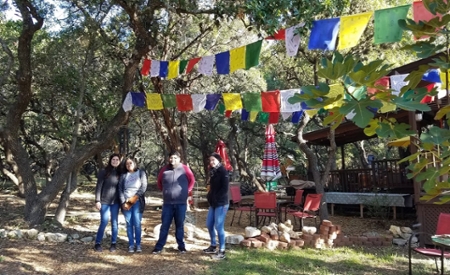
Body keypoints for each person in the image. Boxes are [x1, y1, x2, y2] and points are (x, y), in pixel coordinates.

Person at [152, 151, 195, 254]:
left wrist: (186, 191)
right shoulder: (164, 169)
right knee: (165, 225)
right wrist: (165, 191)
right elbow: (159, 182)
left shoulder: (185, 168)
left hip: (181, 203)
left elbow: (192, 180)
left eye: (175, 158)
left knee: (179, 226)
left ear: (179, 159)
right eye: (171, 158)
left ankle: (181, 246)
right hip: (167, 204)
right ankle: (159, 247)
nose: (173, 160)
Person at [203, 152, 229, 260]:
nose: (211, 162)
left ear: (219, 160)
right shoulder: (212, 171)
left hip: (221, 203)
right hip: (213, 203)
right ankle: (213, 245)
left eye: (213, 160)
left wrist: (217, 197)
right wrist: (209, 196)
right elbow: (212, 187)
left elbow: (225, 188)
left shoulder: (223, 171)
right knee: (209, 224)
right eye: (210, 160)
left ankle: (222, 250)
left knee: (219, 226)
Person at [118, 157, 147, 253]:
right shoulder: (123, 175)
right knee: (129, 224)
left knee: (137, 224)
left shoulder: (141, 173)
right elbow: (120, 189)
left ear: (135, 163)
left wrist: (134, 198)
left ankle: (138, 244)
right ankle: (131, 244)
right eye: (127, 164)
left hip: (137, 201)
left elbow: (143, 187)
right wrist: (123, 202)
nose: (129, 165)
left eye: (130, 163)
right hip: (126, 201)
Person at [94, 153, 122, 252]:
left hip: (115, 202)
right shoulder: (104, 172)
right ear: (110, 160)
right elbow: (98, 187)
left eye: (117, 160)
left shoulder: (120, 173)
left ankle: (113, 243)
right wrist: (97, 200)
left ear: (119, 161)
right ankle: (97, 243)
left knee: (114, 223)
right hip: (104, 201)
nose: (115, 161)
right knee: (104, 222)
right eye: (113, 159)